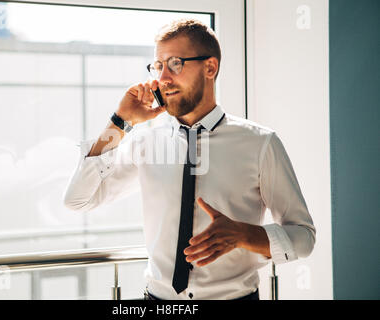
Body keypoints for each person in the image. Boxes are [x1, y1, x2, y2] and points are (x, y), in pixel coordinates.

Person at [64, 19, 316, 300]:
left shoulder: (260, 143)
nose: (162, 79)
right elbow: (77, 200)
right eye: (157, 66)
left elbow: (303, 237)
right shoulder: (146, 141)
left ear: (210, 67)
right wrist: (119, 123)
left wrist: (244, 234)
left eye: (175, 64)